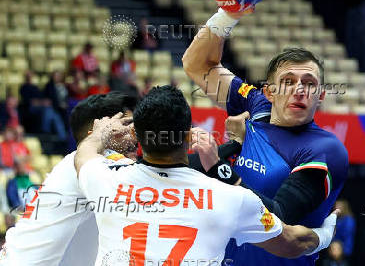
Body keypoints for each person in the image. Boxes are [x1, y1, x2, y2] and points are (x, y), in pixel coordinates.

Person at [74, 85, 339, 265]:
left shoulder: (106, 181)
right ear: (189, 136)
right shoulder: (231, 198)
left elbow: (84, 154)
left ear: (137, 137)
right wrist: (326, 232)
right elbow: (293, 243)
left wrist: (101, 132)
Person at [182, 8, 349, 266]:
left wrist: (219, 168)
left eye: (309, 83)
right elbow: (196, 65)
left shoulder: (326, 150)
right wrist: (228, 13)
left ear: (321, 96)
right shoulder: (257, 106)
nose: (299, 90)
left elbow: (277, 218)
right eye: (288, 81)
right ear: (269, 92)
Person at [0, 92, 138, 266]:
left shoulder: (79, 165)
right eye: (127, 126)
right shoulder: (95, 163)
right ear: (98, 133)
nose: (135, 135)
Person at [19, 71, 67, 140]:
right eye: (28, 76)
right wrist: (42, 102)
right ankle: (49, 133)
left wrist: (44, 102)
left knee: (54, 114)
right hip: (31, 108)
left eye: (31, 76)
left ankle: (60, 137)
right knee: (49, 111)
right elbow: (30, 102)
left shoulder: (35, 87)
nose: (30, 77)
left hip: (44, 107)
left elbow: (42, 98)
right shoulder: (24, 87)